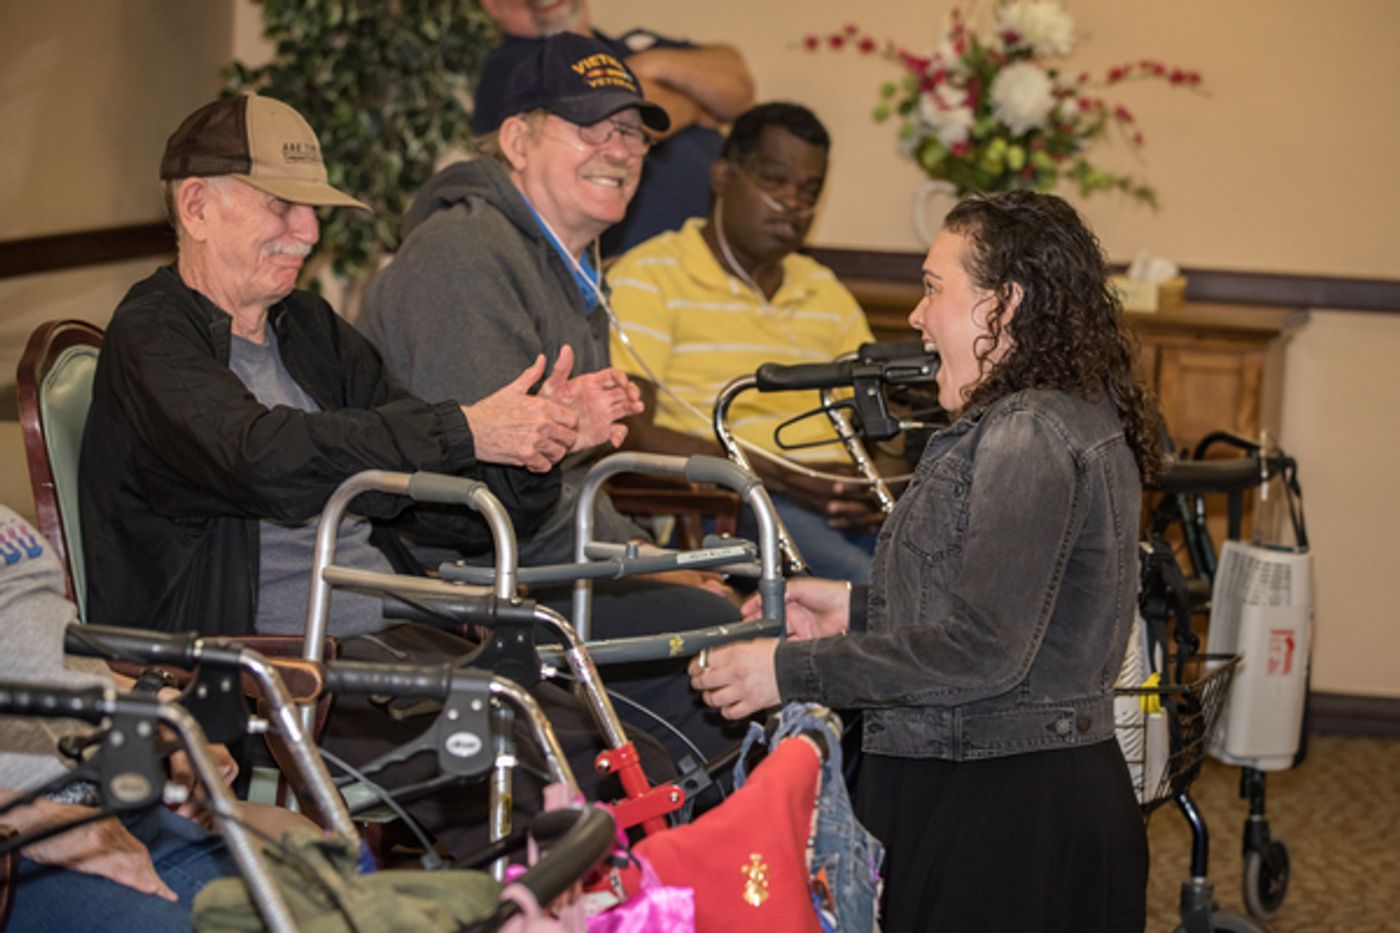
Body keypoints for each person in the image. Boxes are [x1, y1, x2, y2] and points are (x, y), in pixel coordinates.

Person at [76, 93, 646, 856]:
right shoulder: (152, 336)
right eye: (282, 206)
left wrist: (540, 445)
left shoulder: (307, 329)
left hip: (394, 643)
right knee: (559, 797)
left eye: (311, 210)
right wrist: (465, 427)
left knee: (631, 765)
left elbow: (435, 511)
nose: (308, 233)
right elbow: (263, 459)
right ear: (197, 205)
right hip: (262, 675)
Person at [689, 191, 1161, 930]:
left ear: (1002, 305)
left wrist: (784, 670)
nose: (916, 315)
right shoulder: (1061, 413)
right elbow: (1017, 614)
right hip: (1016, 789)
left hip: (1003, 814)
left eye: (934, 288)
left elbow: (983, 651)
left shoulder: (1027, 434)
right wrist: (852, 606)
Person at [361, 32, 743, 763]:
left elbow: (574, 481)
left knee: (756, 625)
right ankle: (666, 867)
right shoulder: (462, 258)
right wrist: (642, 566)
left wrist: (643, 552)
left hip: (550, 566)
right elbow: (482, 501)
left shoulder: (565, 264)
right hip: (470, 589)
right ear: (517, 140)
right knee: (730, 654)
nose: (620, 149)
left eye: (631, 131)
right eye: (588, 127)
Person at [606, 102, 883, 584]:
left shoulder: (827, 293)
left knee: (950, 580)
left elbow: (881, 420)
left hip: (838, 509)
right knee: (868, 590)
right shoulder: (651, 277)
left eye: (809, 191)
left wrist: (869, 487)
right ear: (721, 176)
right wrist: (771, 475)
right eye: (774, 182)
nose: (792, 204)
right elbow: (628, 430)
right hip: (726, 508)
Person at [0, 505, 239, 931]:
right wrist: (28, 818)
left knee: (326, 912)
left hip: (107, 807)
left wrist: (159, 709)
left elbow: (46, 657)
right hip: (25, 851)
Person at [475, 0, 754, 256]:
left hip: (728, 255)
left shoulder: (632, 45)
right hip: (638, 265)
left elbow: (737, 87)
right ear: (492, 5)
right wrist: (696, 106)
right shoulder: (515, 67)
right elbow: (630, 117)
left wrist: (648, 63)